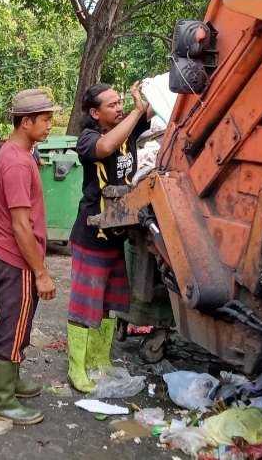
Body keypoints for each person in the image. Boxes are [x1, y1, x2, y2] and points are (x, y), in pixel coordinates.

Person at [67, 81, 153, 393]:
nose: (119, 109)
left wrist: (144, 98)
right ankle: (77, 367)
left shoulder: (126, 125)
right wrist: (134, 113)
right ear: (94, 112)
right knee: (84, 305)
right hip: (91, 235)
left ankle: (99, 361)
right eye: (112, 105)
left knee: (106, 304)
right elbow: (105, 149)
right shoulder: (88, 139)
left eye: (120, 103)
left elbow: (158, 109)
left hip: (116, 234)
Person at [0, 89, 59, 425]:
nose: (50, 124)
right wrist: (41, 272)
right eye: (44, 119)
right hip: (15, 258)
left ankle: (12, 380)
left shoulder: (20, 152)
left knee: (18, 323)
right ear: (25, 121)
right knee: (12, 326)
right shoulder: (16, 161)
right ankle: (2, 399)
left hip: (9, 255)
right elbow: (20, 225)